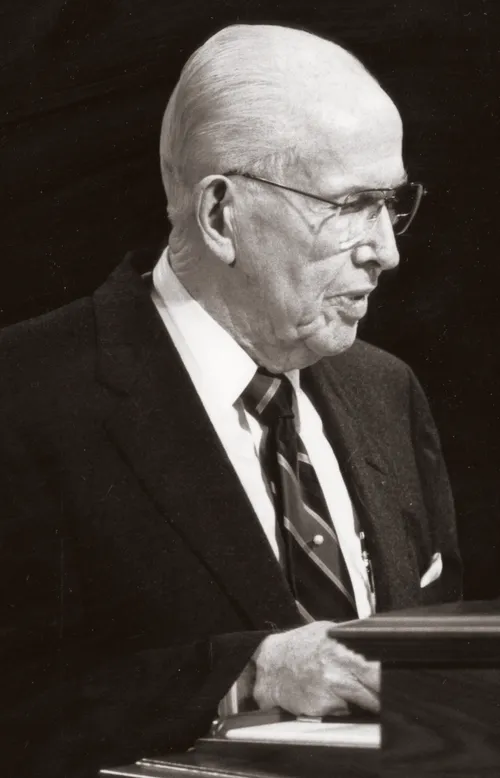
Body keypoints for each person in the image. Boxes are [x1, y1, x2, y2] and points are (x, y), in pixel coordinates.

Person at [0, 23, 462, 778]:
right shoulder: (24, 396)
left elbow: (437, 704)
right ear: (221, 213)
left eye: (394, 202)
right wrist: (247, 674)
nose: (388, 249)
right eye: (353, 203)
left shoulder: (387, 391)